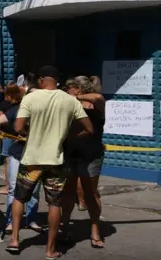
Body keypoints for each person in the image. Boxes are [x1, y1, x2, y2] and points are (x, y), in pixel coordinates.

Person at [5, 65, 94, 260]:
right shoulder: (70, 100)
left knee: (20, 198)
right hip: (56, 160)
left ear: (42, 79)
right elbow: (89, 129)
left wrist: (29, 134)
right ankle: (50, 250)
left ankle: (14, 240)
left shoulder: (30, 98)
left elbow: (18, 127)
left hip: (31, 160)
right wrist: (68, 137)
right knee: (54, 203)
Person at [0, 83, 42, 234]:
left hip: (37, 156)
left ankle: (31, 219)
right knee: (13, 189)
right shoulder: (17, 110)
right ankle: (10, 221)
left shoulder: (45, 112)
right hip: (17, 154)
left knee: (34, 191)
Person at [61, 75, 106, 249]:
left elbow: (99, 97)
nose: (67, 91)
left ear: (78, 89)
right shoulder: (69, 104)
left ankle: (95, 229)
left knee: (91, 193)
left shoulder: (95, 105)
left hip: (91, 154)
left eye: (69, 88)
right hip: (70, 153)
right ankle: (64, 226)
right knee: (68, 192)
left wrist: (76, 98)